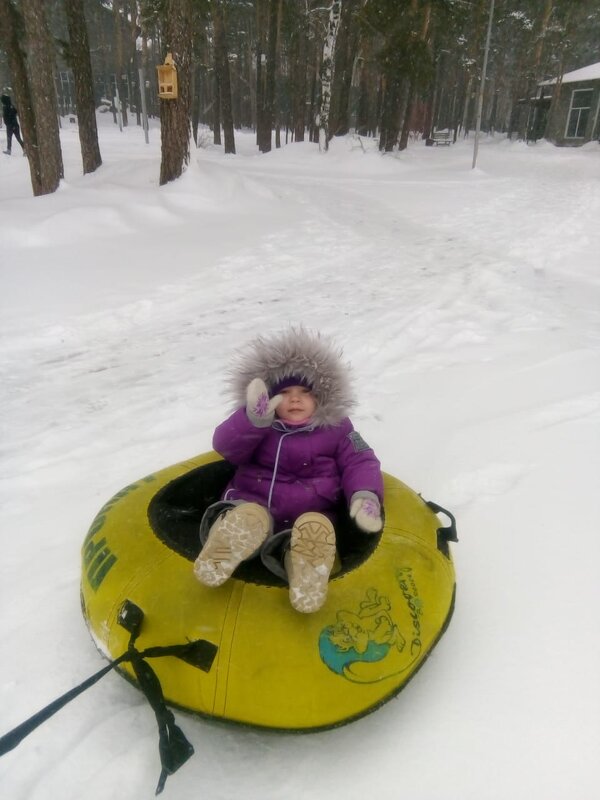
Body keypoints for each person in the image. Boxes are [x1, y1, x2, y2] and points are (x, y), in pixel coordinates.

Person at [193, 328, 384, 614]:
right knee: (245, 515)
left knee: (307, 534)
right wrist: (252, 420)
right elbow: (226, 447)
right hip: (249, 504)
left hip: (302, 523)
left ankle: (305, 570)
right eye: (284, 392)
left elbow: (360, 461)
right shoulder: (260, 427)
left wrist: (365, 495)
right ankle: (224, 546)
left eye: (305, 392)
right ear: (269, 395)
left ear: (322, 397)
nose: (295, 399)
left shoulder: (337, 429)